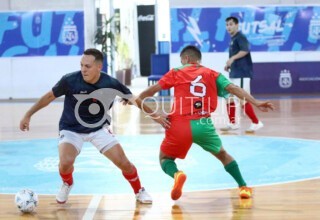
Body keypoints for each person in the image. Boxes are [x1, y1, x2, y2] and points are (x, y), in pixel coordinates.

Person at [19, 48, 166, 204]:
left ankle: (139, 191)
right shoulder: (69, 80)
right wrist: (28, 114)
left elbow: (135, 100)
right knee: (65, 163)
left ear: (99, 67)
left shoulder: (110, 83)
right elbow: (48, 97)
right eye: (81, 65)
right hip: (71, 128)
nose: (83, 69)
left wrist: (157, 117)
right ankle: (67, 183)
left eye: (87, 66)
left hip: (98, 129)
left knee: (124, 163)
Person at [138, 45, 274, 201]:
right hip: (203, 124)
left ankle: (177, 174)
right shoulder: (213, 74)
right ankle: (243, 187)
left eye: (182, 60)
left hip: (178, 125)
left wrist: (154, 114)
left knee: (165, 159)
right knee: (223, 155)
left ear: (186, 59)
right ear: (198, 60)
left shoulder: (176, 72)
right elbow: (234, 88)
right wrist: (256, 102)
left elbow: (144, 96)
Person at [222, 16, 263, 133]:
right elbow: (236, 55)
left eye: (231, 24)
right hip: (235, 73)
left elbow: (245, 50)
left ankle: (256, 122)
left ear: (236, 25)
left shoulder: (240, 37)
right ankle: (233, 123)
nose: (228, 27)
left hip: (242, 73)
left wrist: (232, 58)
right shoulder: (233, 39)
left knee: (242, 99)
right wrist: (229, 64)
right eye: (227, 25)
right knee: (228, 97)